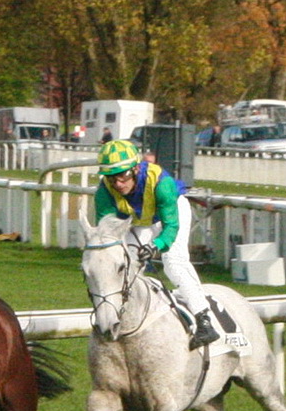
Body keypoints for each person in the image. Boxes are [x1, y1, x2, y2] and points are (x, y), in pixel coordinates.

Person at [94, 139, 219, 350]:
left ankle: (204, 320)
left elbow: (170, 226)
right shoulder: (104, 193)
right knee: (127, 262)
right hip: (142, 219)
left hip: (170, 214)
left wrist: (156, 245)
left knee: (173, 262)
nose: (117, 184)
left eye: (122, 175)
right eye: (111, 177)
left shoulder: (162, 183)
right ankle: (124, 316)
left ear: (135, 168)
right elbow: (107, 234)